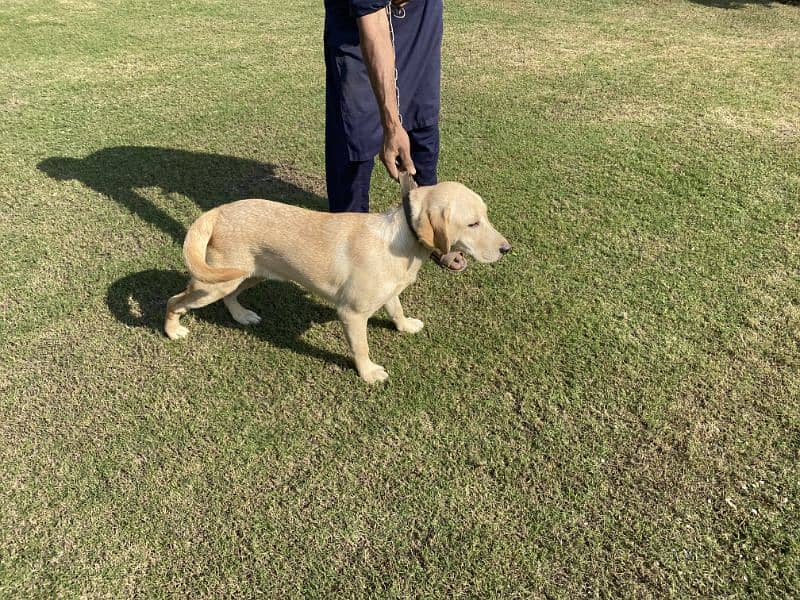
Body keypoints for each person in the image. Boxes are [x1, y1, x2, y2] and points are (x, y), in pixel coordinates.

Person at [324, 0, 443, 212]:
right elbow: (374, 26)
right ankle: (349, 228)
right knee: (355, 132)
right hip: (356, 29)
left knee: (421, 117)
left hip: (419, 19)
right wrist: (392, 125)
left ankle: (429, 228)